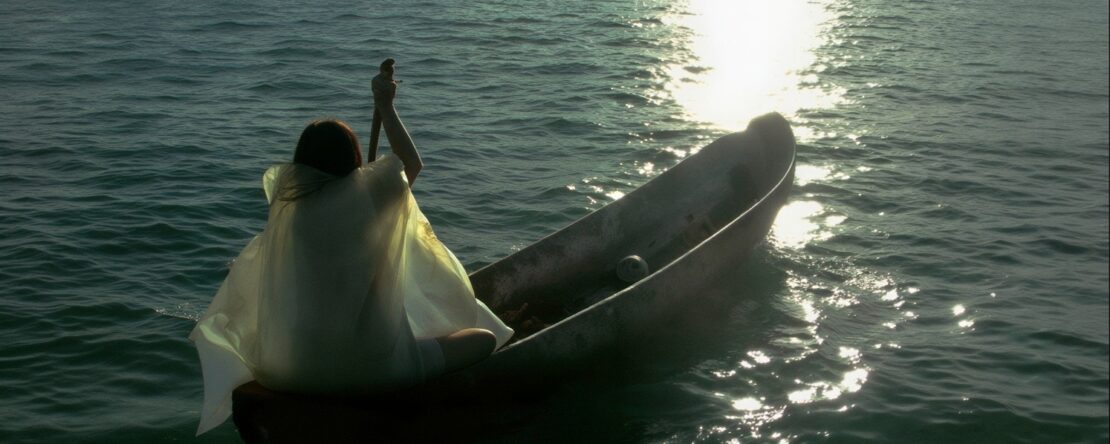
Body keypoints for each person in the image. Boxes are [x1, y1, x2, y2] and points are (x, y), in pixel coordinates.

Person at [189, 59, 514, 435]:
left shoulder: (288, 208)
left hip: (286, 372)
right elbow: (411, 163)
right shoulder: (369, 199)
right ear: (353, 161)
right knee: (485, 338)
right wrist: (386, 106)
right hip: (372, 371)